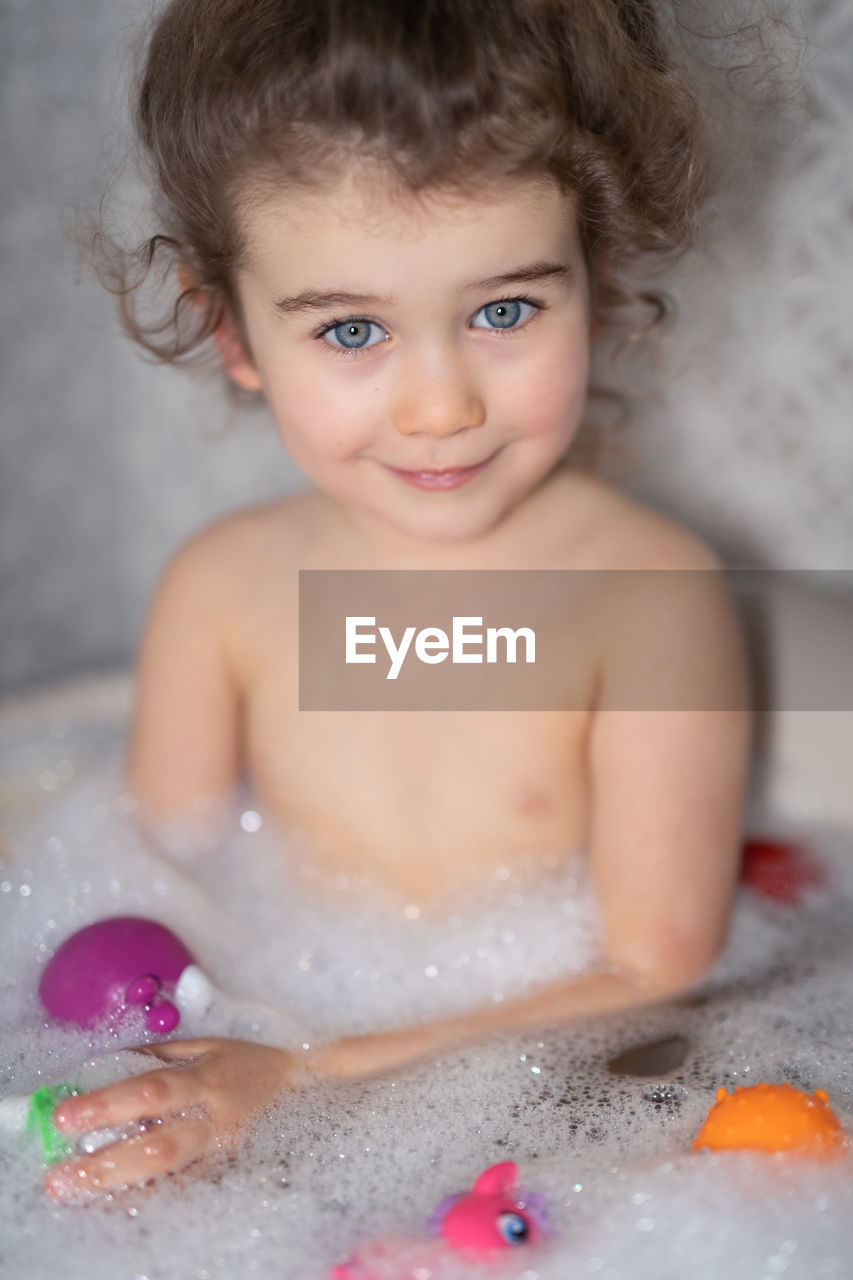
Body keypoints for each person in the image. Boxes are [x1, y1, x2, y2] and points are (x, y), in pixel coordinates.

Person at [44, 0, 752, 1201]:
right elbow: (155, 874)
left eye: (505, 310)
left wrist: (314, 1070)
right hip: (289, 1078)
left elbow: (653, 964)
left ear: (597, 274)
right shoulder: (223, 589)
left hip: (550, 1130)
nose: (440, 406)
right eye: (355, 328)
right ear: (233, 331)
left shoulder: (651, 601)